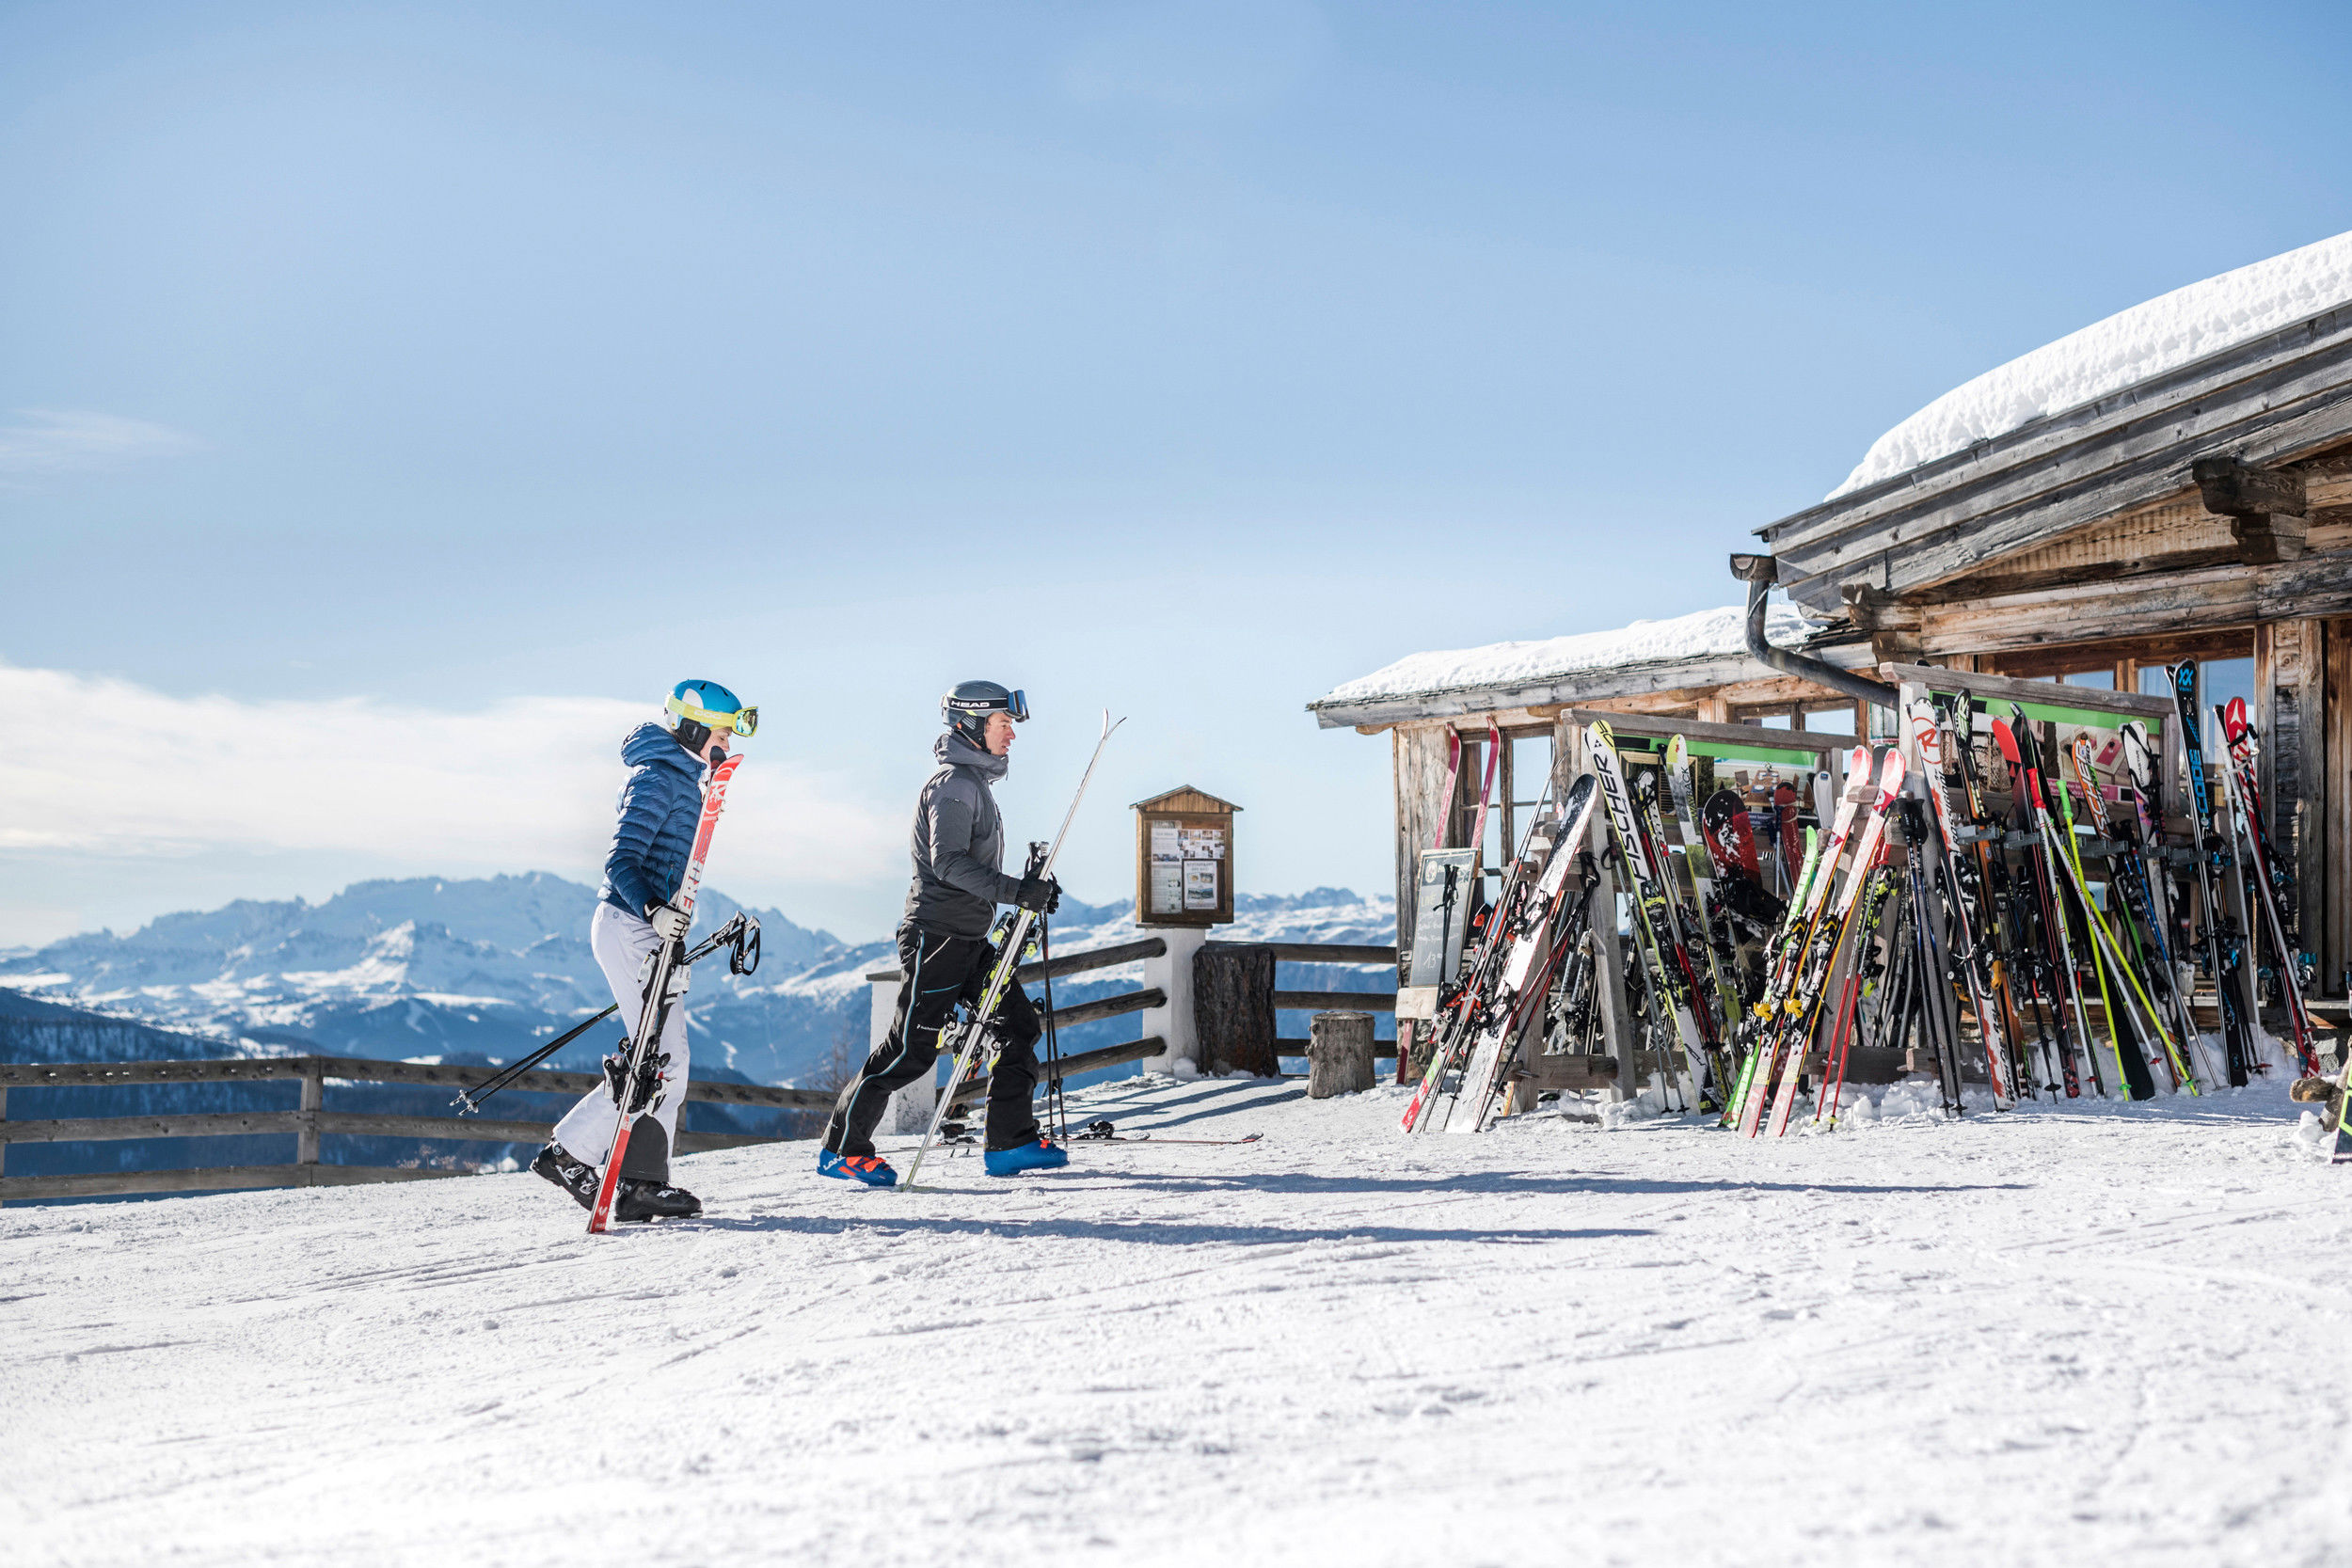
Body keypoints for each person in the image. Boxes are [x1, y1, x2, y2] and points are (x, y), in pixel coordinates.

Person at [819, 681, 1066, 1186]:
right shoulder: (954, 786)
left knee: (1017, 1026)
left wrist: (1031, 890)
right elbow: (948, 863)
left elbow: (972, 867)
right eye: (1003, 724)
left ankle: (1010, 1142)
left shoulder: (974, 785)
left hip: (969, 939)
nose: (1011, 735)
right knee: (910, 1050)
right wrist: (1015, 891)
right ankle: (842, 1150)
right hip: (936, 937)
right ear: (971, 724)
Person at [532, 679, 757, 1222]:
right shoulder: (657, 779)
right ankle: (575, 1157)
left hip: (649, 930)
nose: (727, 742)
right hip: (629, 924)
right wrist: (655, 908)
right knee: (658, 1059)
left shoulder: (681, 779)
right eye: (722, 732)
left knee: (662, 1058)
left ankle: (639, 1179)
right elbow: (620, 861)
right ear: (694, 729)